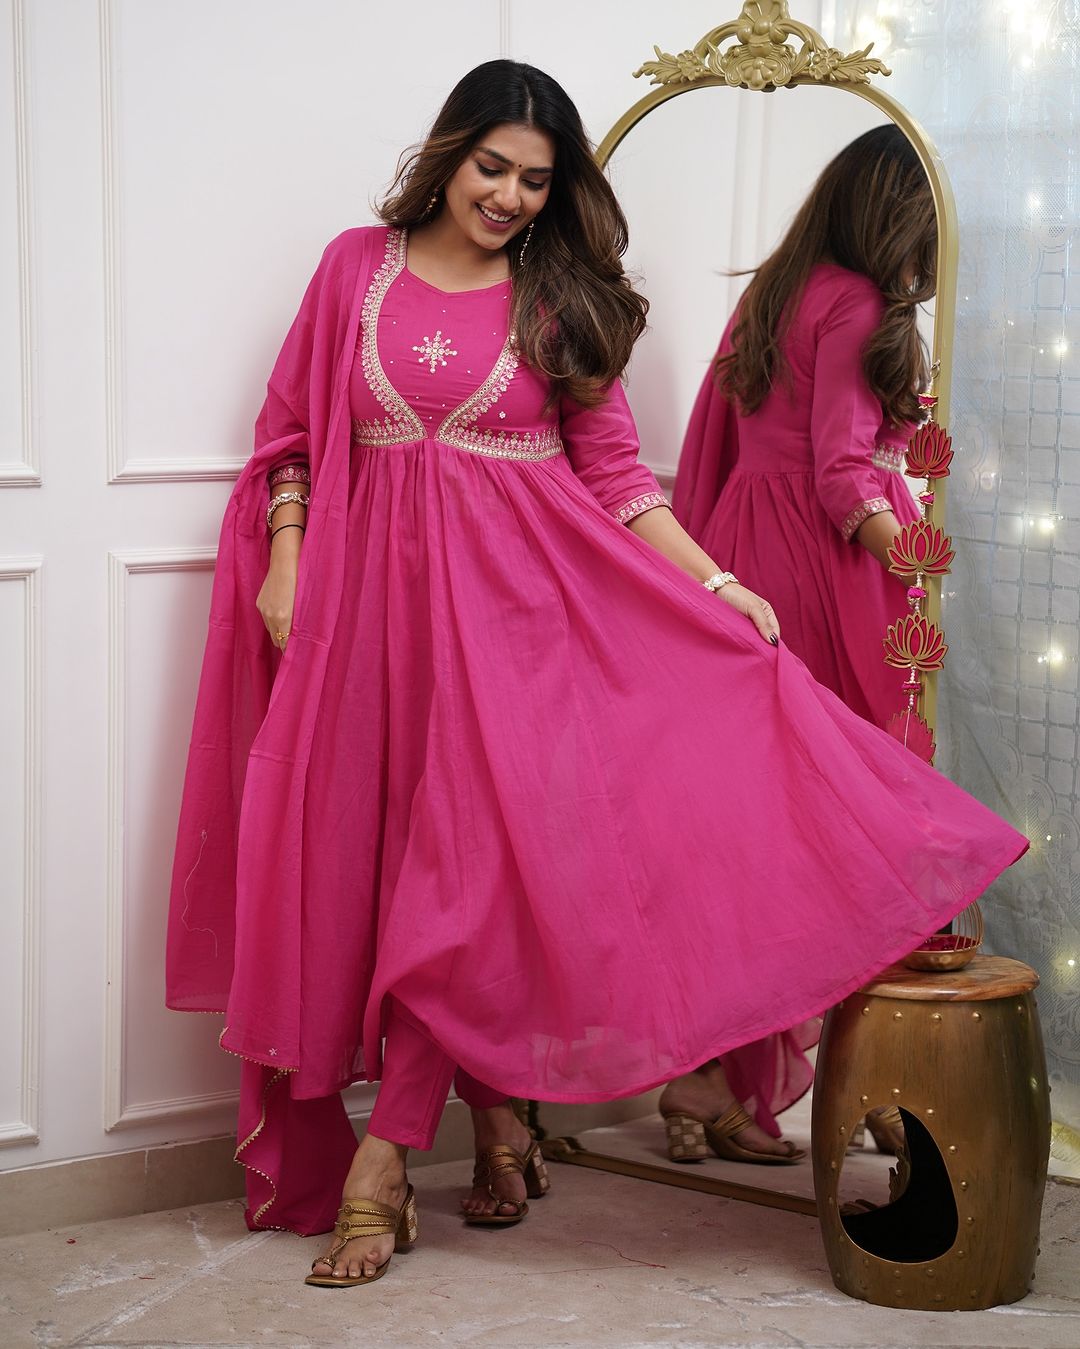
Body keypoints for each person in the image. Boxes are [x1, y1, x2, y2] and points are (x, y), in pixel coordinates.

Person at [166, 65, 1026, 1290]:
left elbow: (619, 481)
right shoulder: (354, 267)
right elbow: (292, 434)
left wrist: (717, 587)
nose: (512, 197)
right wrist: (288, 564)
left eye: (536, 178)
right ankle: (504, 1123)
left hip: (521, 627)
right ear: (448, 153)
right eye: (492, 168)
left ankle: (386, 1162)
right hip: (365, 628)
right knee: (380, 873)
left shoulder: (559, 295)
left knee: (456, 888)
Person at [664, 126, 940, 1164]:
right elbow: (838, 478)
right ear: (901, 219)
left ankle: (713, 1081)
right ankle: (867, 1086)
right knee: (868, 825)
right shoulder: (863, 303)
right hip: (824, 576)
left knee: (754, 831)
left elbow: (721, 444)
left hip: (743, 557)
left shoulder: (776, 289)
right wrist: (917, 558)